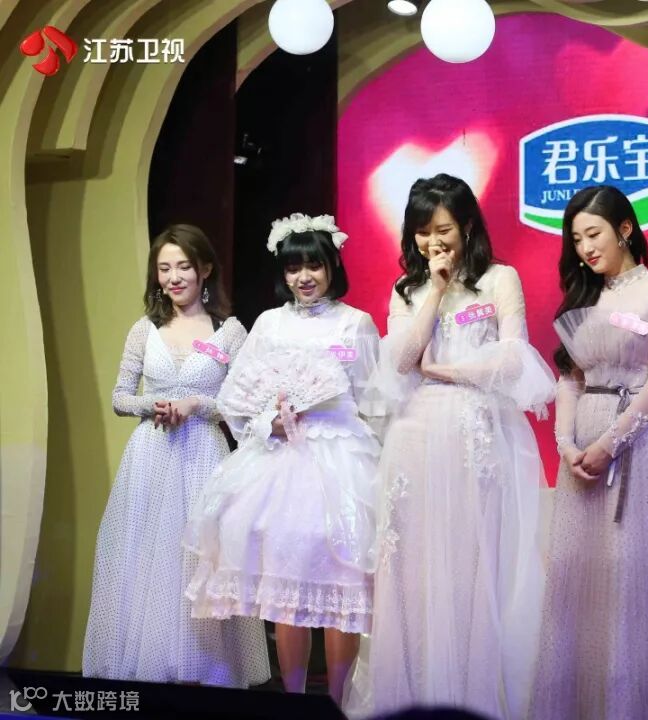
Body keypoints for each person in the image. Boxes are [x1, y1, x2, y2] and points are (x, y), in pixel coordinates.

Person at [348, 175, 554, 719]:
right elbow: (400, 361)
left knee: (475, 564)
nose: (433, 242)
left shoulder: (500, 279)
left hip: (478, 434)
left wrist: (443, 370)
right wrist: (435, 291)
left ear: (466, 226)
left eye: (443, 229)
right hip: (416, 438)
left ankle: (473, 696)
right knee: (414, 570)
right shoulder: (406, 290)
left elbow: (513, 358)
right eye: (422, 232)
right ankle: (414, 695)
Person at [529, 185, 648, 720]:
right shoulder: (584, 298)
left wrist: (611, 444)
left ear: (625, 229)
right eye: (576, 239)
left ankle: (632, 704)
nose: (585, 248)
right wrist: (566, 444)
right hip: (583, 448)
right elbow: (571, 377)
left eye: (594, 234)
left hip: (638, 443)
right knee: (579, 574)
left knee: (629, 570)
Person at [184, 214, 382, 704]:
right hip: (279, 464)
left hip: (341, 462)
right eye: (294, 268)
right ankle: (292, 700)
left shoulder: (355, 324)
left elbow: (375, 402)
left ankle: (338, 702)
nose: (304, 277)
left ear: (333, 265)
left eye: (314, 265)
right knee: (286, 588)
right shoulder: (270, 324)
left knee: (341, 590)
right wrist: (264, 424)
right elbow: (235, 397)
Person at [83, 224, 269, 687]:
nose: (173, 277)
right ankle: (148, 668)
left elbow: (243, 402)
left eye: (183, 266)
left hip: (204, 455)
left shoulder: (229, 332)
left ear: (205, 269)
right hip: (151, 455)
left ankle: (201, 670)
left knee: (199, 559)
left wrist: (197, 404)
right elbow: (120, 397)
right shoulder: (144, 329)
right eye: (164, 268)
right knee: (147, 556)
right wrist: (154, 404)